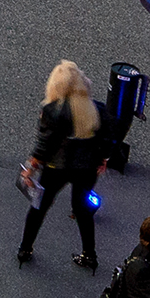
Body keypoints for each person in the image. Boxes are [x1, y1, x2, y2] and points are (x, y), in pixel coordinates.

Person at [17, 60, 107, 267]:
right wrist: (104, 158)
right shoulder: (96, 109)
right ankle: (89, 254)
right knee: (82, 209)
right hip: (87, 168)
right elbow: (108, 135)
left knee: (39, 207)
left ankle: (25, 248)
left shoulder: (52, 111)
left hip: (55, 168)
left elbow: (46, 143)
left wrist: (32, 166)